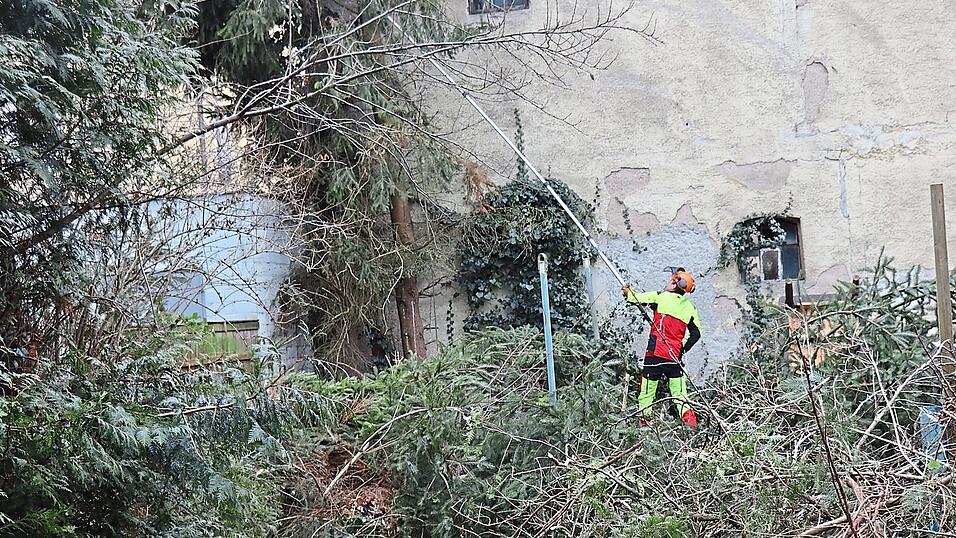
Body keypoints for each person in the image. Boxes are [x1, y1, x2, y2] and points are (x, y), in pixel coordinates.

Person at [622, 268, 702, 428]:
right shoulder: (690, 308)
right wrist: (681, 350)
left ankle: (645, 430)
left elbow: (634, 298)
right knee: (681, 396)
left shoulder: (660, 297)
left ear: (674, 284)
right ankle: (692, 429)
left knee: (646, 394)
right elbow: (696, 334)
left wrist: (627, 291)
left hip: (654, 356)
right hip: (674, 358)